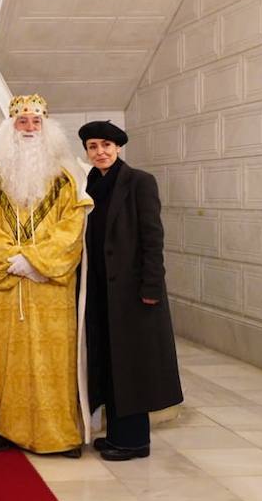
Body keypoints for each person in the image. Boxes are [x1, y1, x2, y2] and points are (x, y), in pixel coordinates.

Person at [0, 95, 92, 457]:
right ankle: (9, 429)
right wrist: (13, 259)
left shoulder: (66, 173)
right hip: (8, 282)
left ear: (47, 128)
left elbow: (73, 224)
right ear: (10, 128)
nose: (28, 129)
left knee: (55, 359)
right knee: (10, 359)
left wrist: (37, 261)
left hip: (51, 284)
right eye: (22, 122)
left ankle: (60, 434)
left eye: (35, 122)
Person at [78, 120, 183, 462]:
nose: (101, 152)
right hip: (100, 291)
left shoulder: (139, 182)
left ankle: (136, 441)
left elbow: (153, 238)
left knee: (133, 367)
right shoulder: (88, 183)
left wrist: (151, 287)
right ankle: (116, 435)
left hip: (134, 293)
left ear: (119, 147)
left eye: (107, 145)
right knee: (110, 362)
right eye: (93, 146)